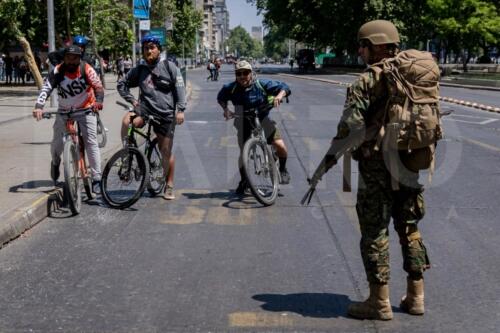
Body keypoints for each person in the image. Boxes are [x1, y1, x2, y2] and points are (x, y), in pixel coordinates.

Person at [323, 20, 432, 320]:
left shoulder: (366, 81)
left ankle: (379, 302)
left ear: (377, 46)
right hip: (409, 163)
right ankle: (416, 297)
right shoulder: (412, 75)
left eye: (363, 45)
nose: (360, 51)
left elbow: (349, 127)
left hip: (376, 168)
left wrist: (334, 156)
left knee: (374, 232)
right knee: (409, 228)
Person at [117, 34, 186, 201]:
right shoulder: (140, 69)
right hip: (145, 110)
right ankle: (128, 155)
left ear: (158, 50)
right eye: (146, 48)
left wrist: (181, 110)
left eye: (152, 47)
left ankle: (169, 184)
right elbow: (122, 84)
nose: (149, 50)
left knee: (165, 151)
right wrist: (133, 100)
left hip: (165, 114)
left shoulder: (170, 67)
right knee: (127, 121)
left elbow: (180, 90)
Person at [33, 45, 104, 193]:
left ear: (80, 59)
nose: (71, 61)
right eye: (68, 58)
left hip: (86, 109)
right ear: (64, 58)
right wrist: (39, 106)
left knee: (91, 141)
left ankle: (97, 178)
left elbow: (98, 87)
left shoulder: (87, 69)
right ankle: (56, 161)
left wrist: (99, 101)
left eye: (75, 58)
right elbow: (46, 88)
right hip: (64, 112)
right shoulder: (57, 71)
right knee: (56, 144)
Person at [217, 60, 291, 195]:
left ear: (251, 73)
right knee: (243, 152)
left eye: (245, 73)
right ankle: (244, 180)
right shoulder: (231, 87)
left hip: (262, 118)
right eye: (239, 73)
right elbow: (221, 98)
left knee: (280, 146)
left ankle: (283, 169)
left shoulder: (261, 84)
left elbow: (285, 87)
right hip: (243, 120)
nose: (242, 76)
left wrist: (279, 96)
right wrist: (226, 110)